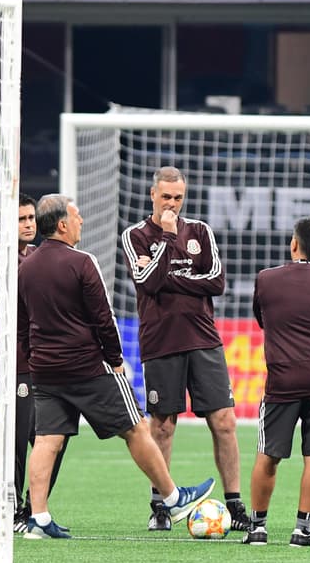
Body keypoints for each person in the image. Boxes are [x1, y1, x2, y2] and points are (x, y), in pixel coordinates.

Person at [17, 194, 215, 539]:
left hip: (45, 370)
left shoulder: (26, 267)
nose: (81, 221)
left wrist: (35, 358)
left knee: (47, 439)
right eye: (76, 216)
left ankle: (39, 518)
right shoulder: (82, 262)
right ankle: (172, 499)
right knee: (136, 427)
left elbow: (22, 323)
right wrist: (115, 359)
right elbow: (103, 318)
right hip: (88, 366)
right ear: (62, 224)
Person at [120, 166, 247, 532]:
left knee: (224, 422)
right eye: (166, 197)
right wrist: (167, 238)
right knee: (162, 427)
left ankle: (235, 504)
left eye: (177, 197)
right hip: (161, 341)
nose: (172, 204)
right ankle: (160, 505)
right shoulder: (136, 235)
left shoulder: (201, 231)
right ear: (152, 195)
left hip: (204, 339)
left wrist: (170, 278)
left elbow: (217, 282)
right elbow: (146, 282)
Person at [242, 217, 310, 548]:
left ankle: (257, 528)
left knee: (268, 453)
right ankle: (302, 531)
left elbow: (262, 319)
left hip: (283, 378)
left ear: (293, 243)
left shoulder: (266, 279)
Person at [11, 193, 68, 533]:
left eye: (31, 218)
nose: (29, 224)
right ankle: (12, 510)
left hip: (45, 363)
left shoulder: (35, 257)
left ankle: (34, 508)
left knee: (55, 438)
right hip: (16, 363)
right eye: (21, 219)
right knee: (17, 441)